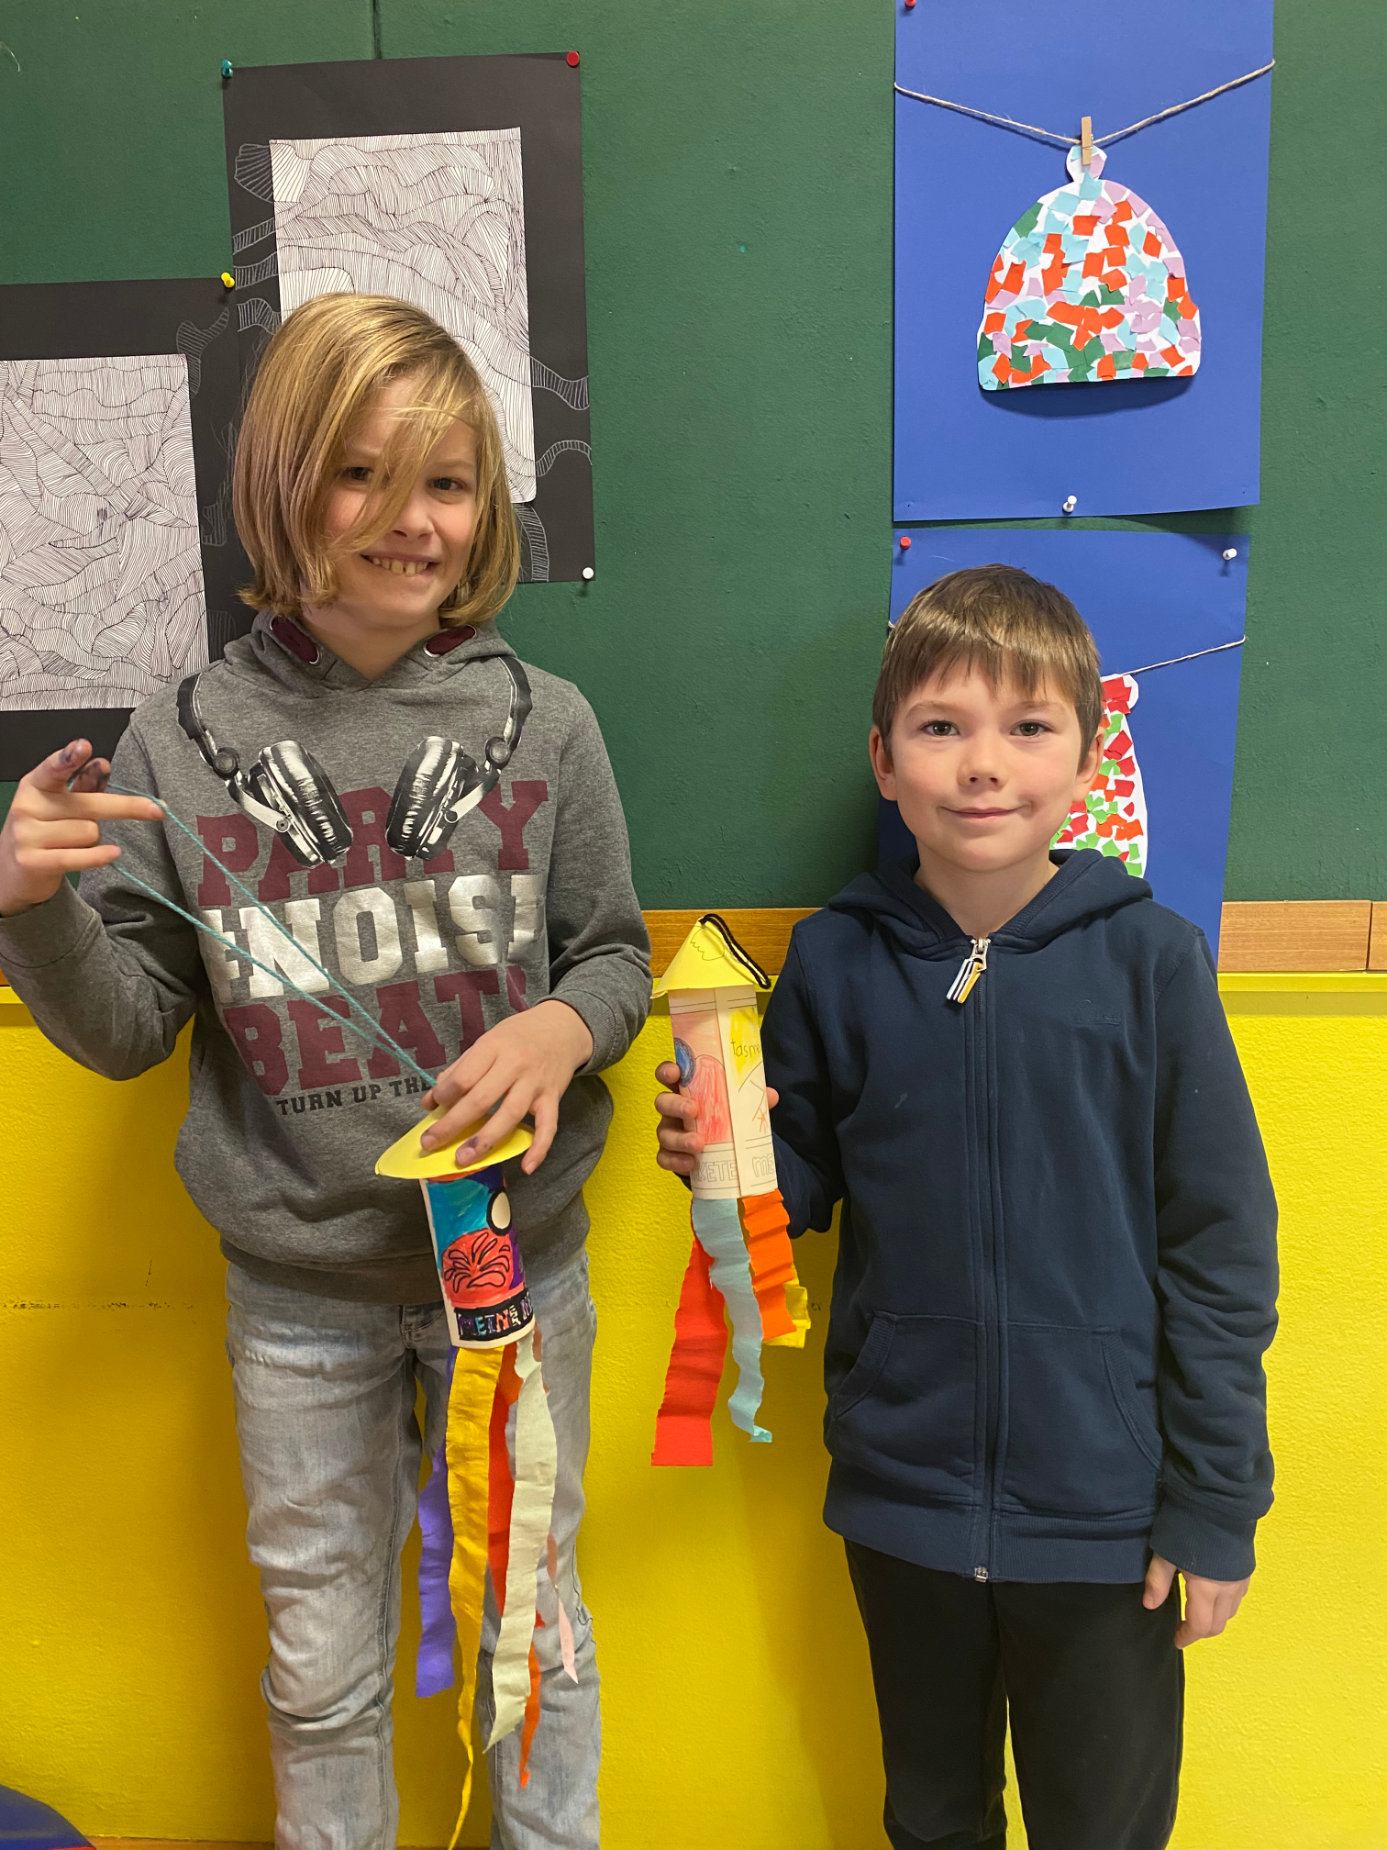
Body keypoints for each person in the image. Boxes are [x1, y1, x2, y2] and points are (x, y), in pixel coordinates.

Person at [0, 293, 649, 1850]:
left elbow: (614, 956)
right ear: (282, 486)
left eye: (446, 482)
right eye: (361, 475)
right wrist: (27, 908)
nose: (410, 519)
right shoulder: (179, 739)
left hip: (511, 1274)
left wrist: (563, 1027)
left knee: (535, 1639)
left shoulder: (545, 724)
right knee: (318, 1668)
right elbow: (127, 1027)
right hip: (298, 1302)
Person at [655, 565, 1277, 1850]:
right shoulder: (836, 957)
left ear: (1088, 758)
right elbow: (798, 1188)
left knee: (1101, 1824)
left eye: (1028, 726)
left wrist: (1216, 1504)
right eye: (941, 726)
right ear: (884, 760)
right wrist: (727, 1156)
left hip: (1106, 1513)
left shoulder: (1151, 960)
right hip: (905, 1495)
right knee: (933, 1814)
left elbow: (1220, 1251)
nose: (983, 763)